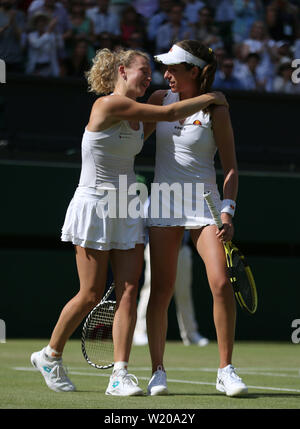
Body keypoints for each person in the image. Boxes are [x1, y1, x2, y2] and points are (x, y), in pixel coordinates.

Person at [30, 47, 228, 396]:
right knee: (90, 293)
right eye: (143, 70)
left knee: (130, 290)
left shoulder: (140, 116)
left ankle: (119, 374)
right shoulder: (108, 105)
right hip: (94, 202)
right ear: (122, 71)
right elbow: (170, 113)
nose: (150, 77)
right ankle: (50, 353)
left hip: (128, 203)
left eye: (152, 72)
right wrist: (213, 96)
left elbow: (171, 124)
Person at [143, 40, 248, 397]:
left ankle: (225, 369)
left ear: (195, 72)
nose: (166, 74)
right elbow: (133, 138)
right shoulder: (158, 100)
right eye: (165, 68)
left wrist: (227, 211)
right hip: (163, 205)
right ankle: (157, 371)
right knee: (161, 290)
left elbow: (231, 168)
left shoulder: (218, 110)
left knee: (220, 284)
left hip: (204, 205)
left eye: (174, 68)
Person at [133, 231, 209, 347]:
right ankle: (140, 332)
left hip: (182, 249)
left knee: (184, 294)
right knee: (150, 290)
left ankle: (190, 334)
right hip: (156, 247)